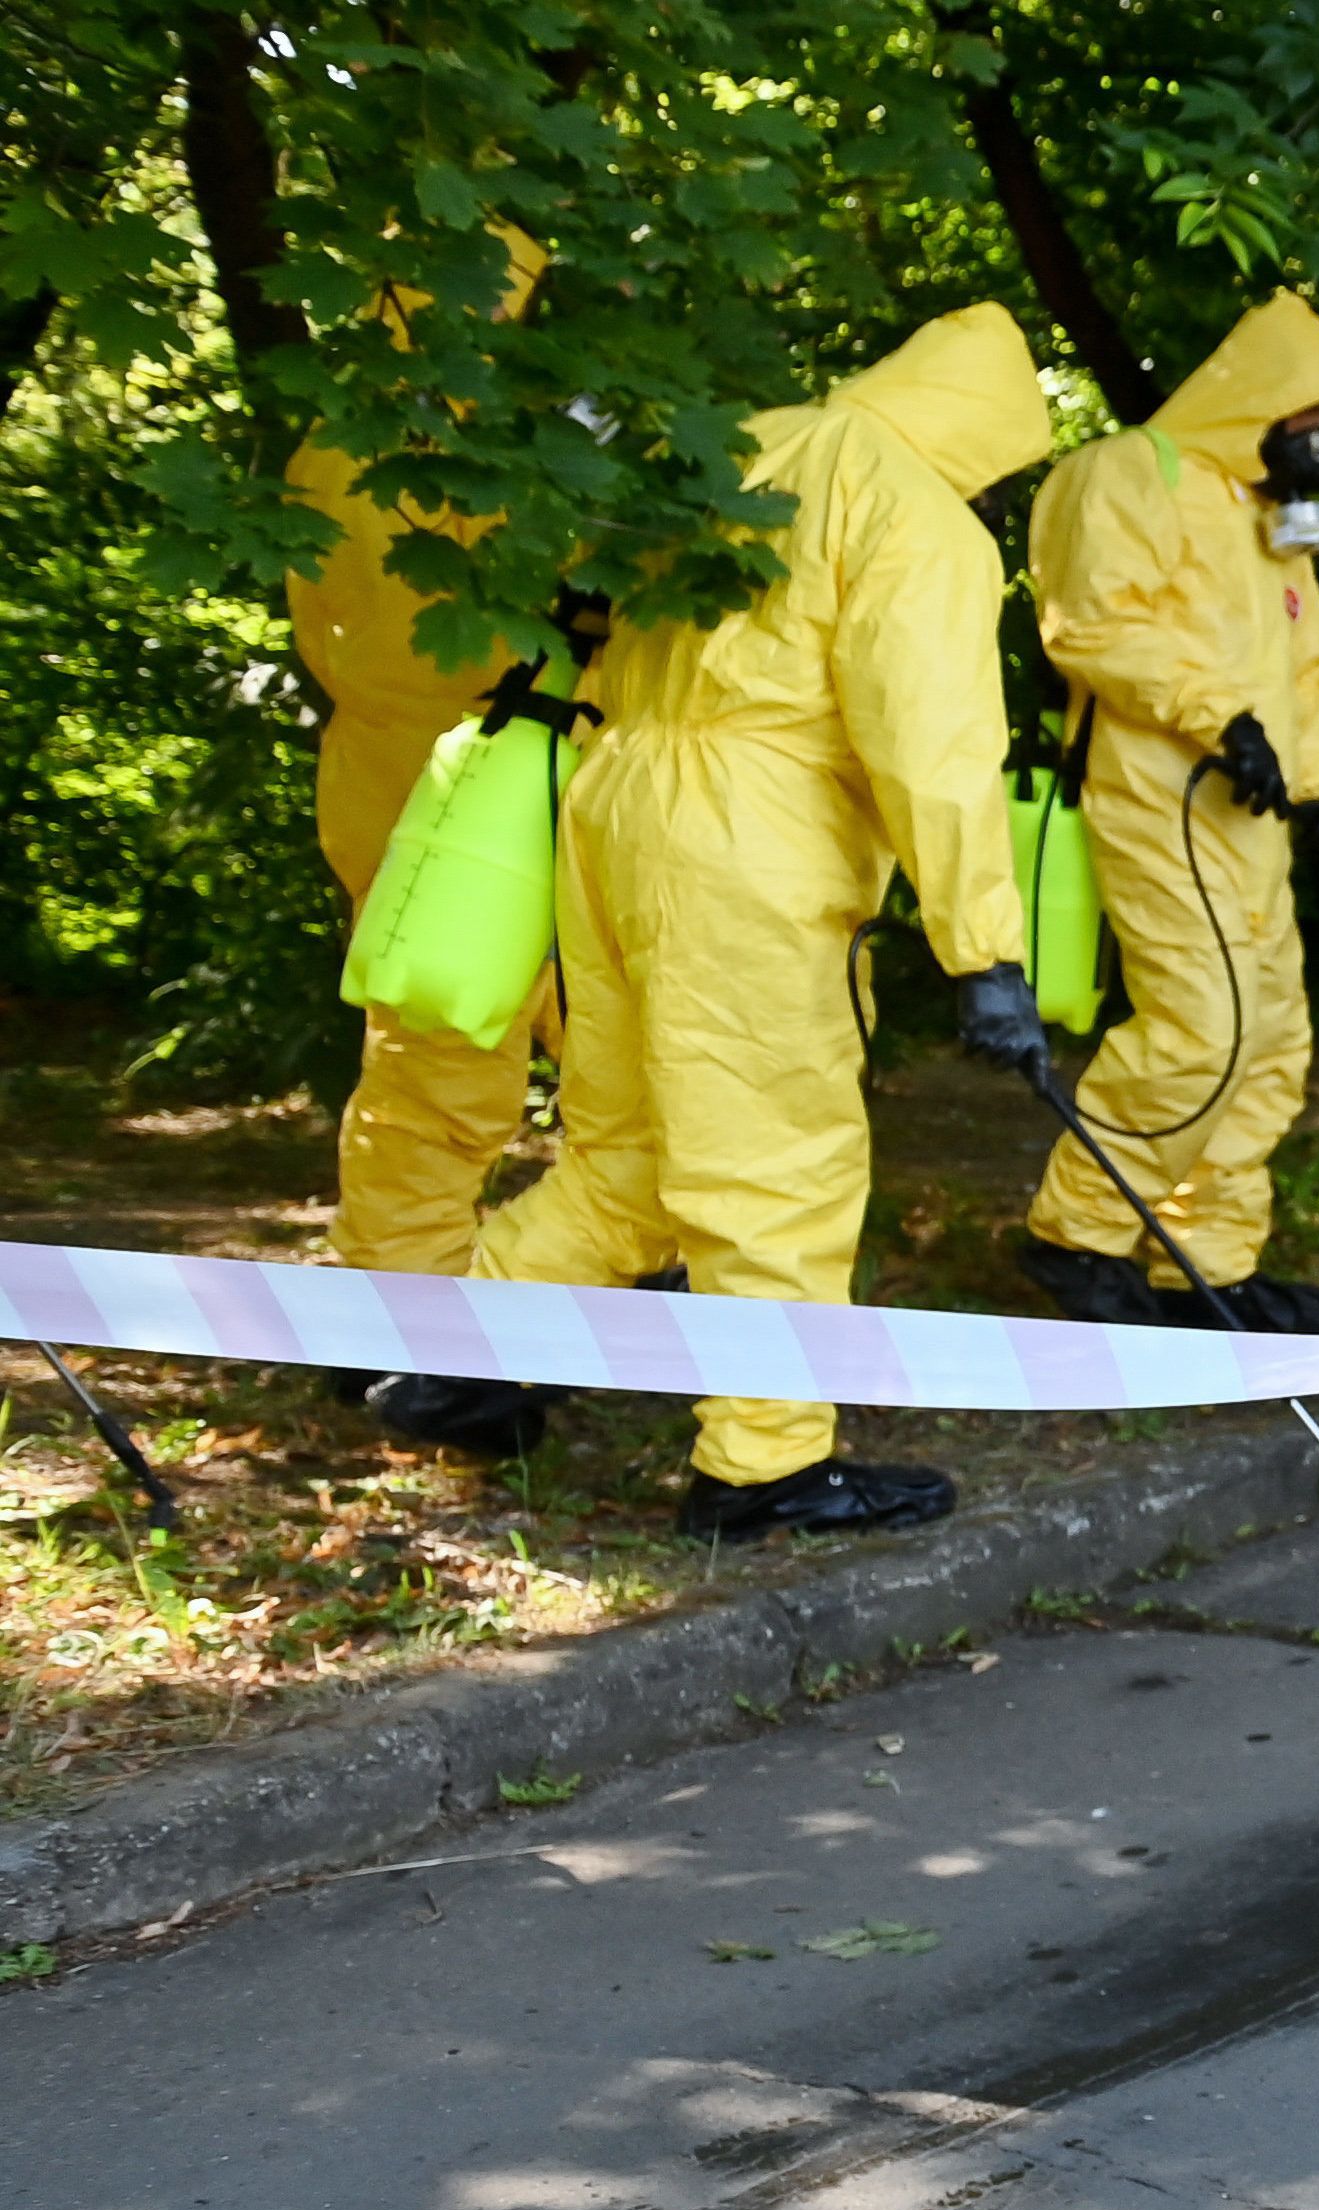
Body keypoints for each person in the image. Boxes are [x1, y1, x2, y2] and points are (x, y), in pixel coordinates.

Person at [424, 303, 1061, 1535]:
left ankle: (454, 1360)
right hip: (749, 841)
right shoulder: (910, 508)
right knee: (780, 1157)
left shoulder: (744, 448)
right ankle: (763, 1466)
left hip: (614, 808)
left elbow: (589, 598)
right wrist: (984, 951)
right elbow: (932, 744)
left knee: (629, 1154)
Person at [1011, 291, 1319, 1335]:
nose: (1315, 450)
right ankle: (1074, 1233)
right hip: (1162, 794)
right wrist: (1221, 721)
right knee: (1201, 1031)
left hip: (1249, 814)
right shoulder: (1127, 475)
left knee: (1272, 1044)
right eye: (1303, 426)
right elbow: (1093, 626)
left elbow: (1310, 671)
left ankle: (1203, 1261)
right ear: (1253, 403)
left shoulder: (1270, 524)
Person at [296, 230, 566, 1299]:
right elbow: (485, 622)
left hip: (399, 771)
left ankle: (395, 1281)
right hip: (479, 780)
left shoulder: (334, 437)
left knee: (429, 1047)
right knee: (448, 1056)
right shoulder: (451, 445)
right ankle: (405, 1310)